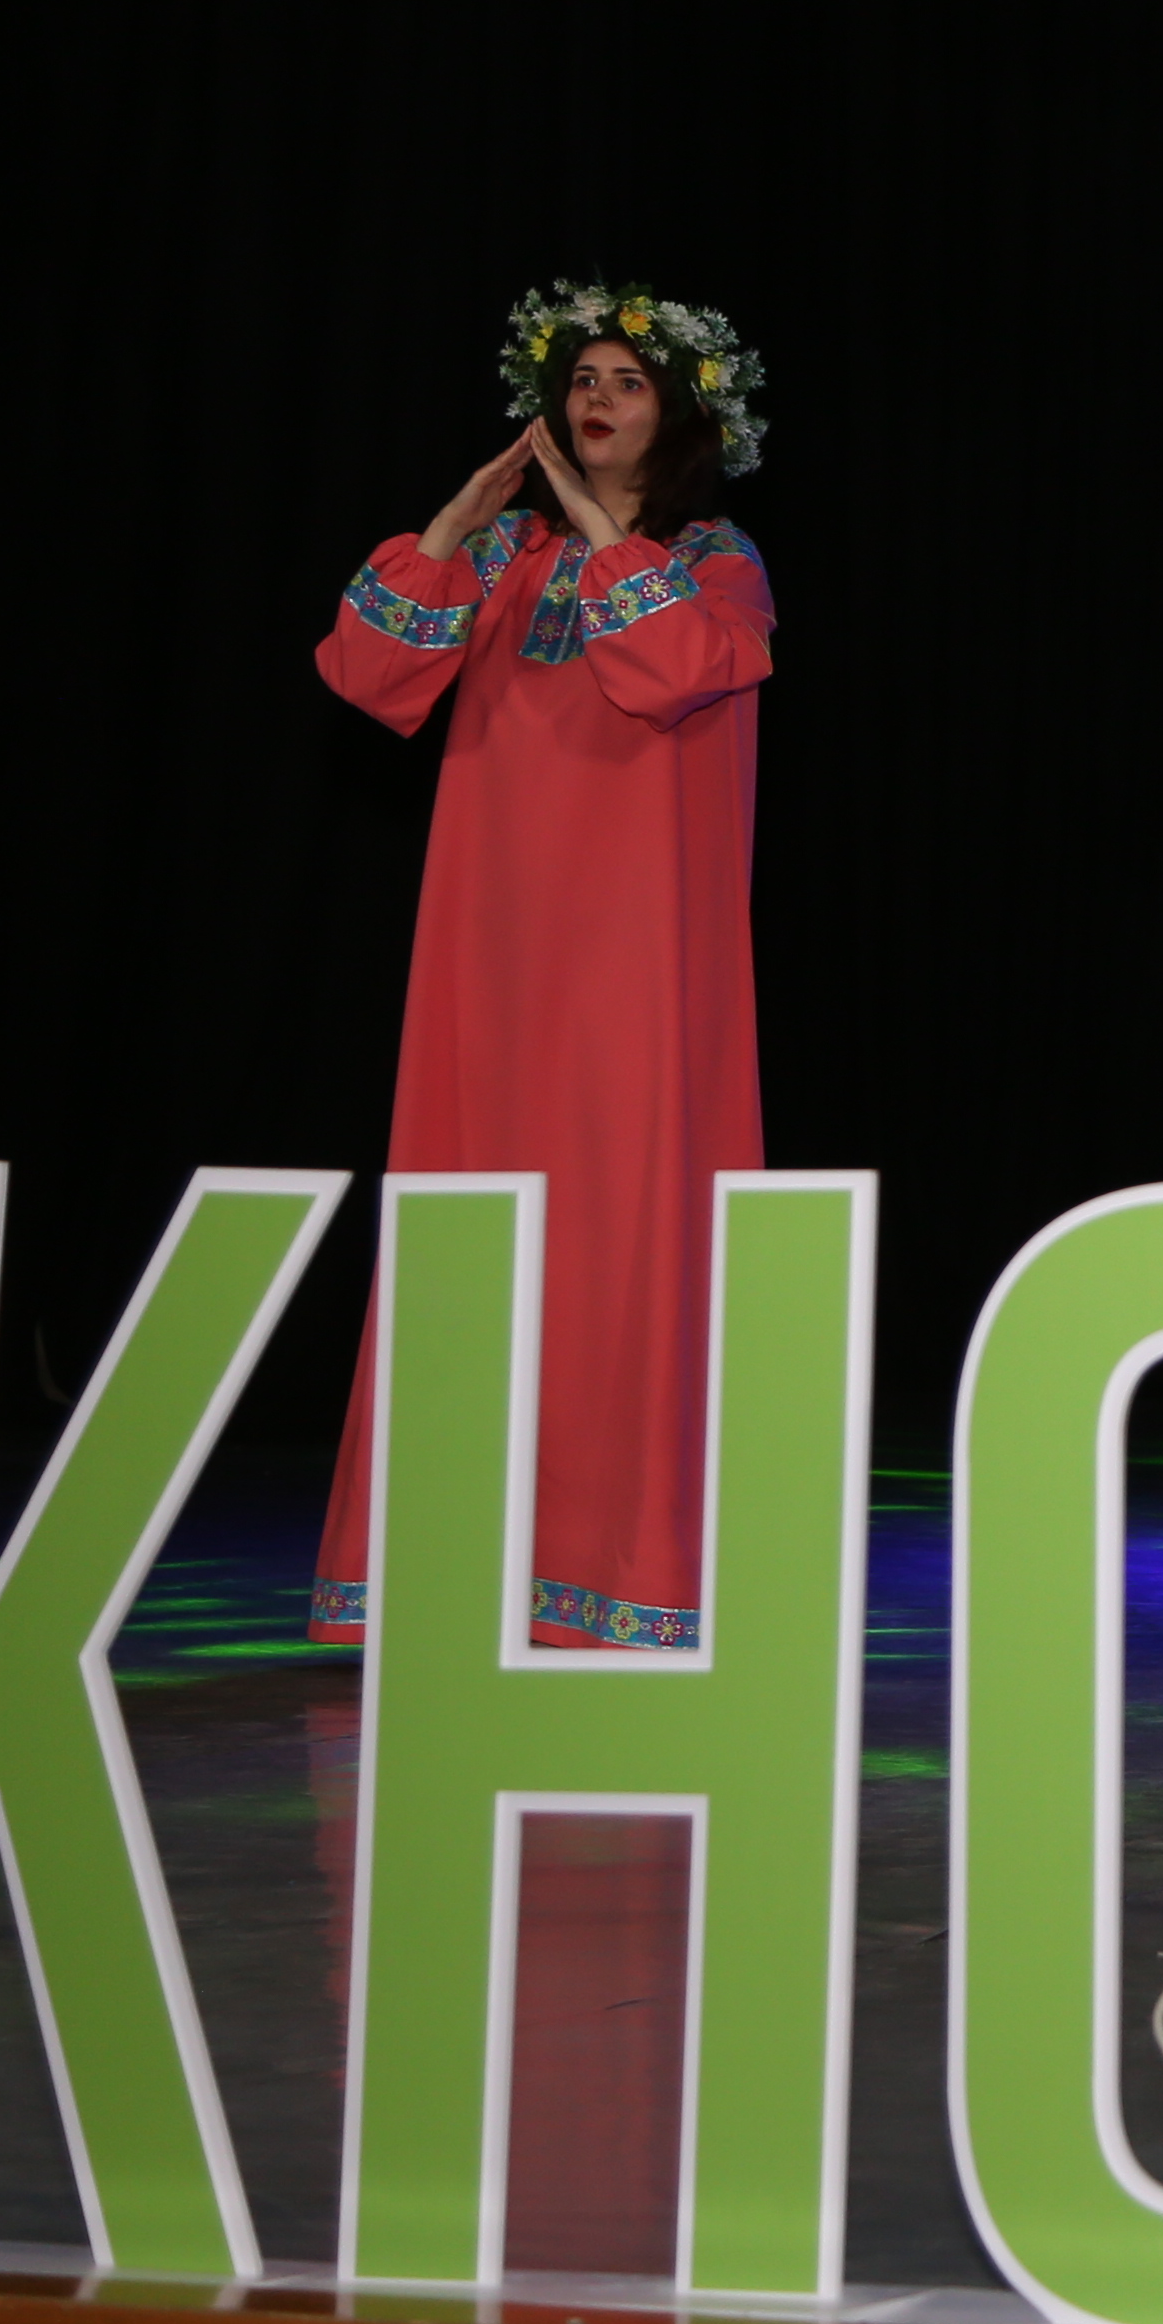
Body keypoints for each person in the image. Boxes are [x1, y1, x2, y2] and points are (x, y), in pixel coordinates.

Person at [310, 283, 779, 1650]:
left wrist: (599, 532)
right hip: (495, 954)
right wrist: (451, 528)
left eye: (628, 382)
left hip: (638, 963)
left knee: (624, 1229)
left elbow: (677, 668)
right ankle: (448, 1568)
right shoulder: (505, 557)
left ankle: (619, 1573)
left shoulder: (717, 560)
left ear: (676, 414)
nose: (597, 399)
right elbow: (366, 674)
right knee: (473, 1216)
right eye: (582, 378)